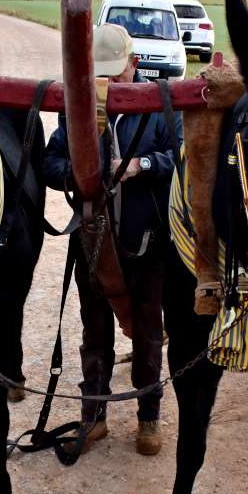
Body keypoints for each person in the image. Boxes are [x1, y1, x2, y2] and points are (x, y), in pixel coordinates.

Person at [42, 23, 182, 457]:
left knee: (148, 332)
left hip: (148, 243)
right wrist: (77, 174)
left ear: (134, 64)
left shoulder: (162, 105)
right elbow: (51, 159)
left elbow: (180, 157)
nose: (107, 83)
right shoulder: (78, 108)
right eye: (98, 74)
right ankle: (94, 416)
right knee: (94, 331)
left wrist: (142, 164)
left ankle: (148, 417)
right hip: (92, 242)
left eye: (115, 74)